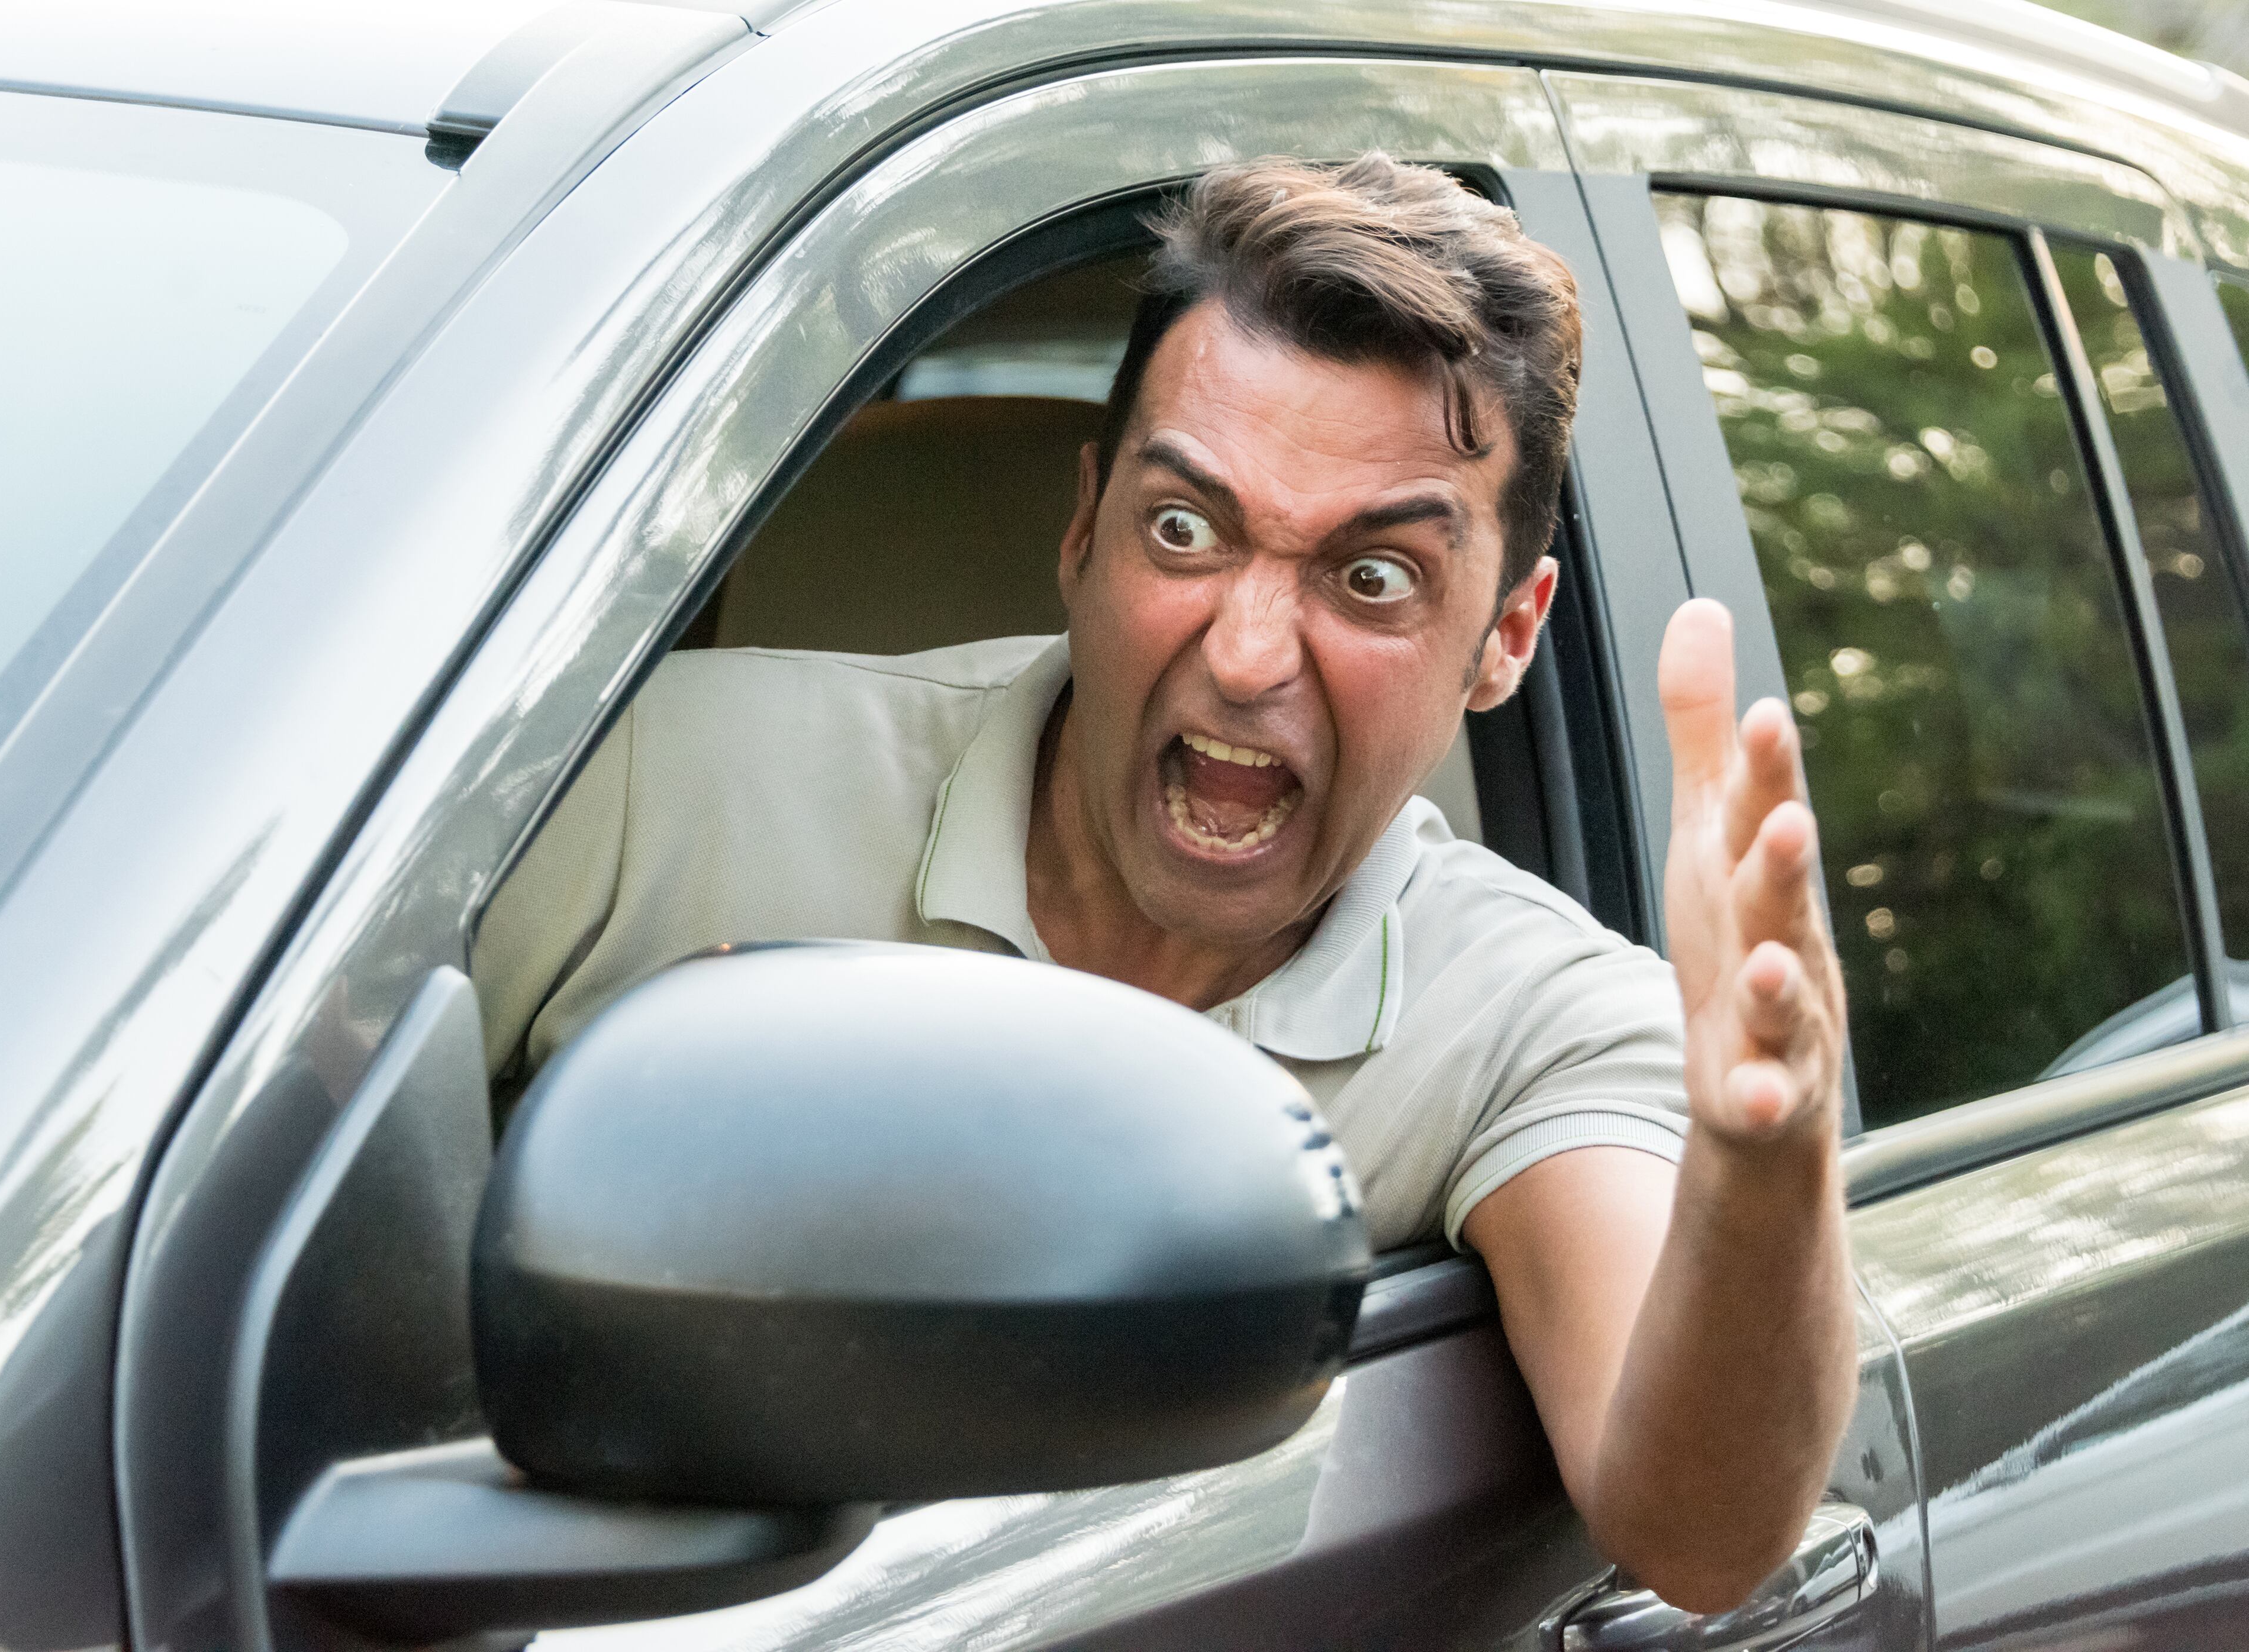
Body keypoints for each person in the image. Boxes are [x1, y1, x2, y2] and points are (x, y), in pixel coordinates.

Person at [474, 153, 1854, 1613]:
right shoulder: (649, 784)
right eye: (1184, 530)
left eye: (1371, 577)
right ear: (1081, 529)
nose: (1248, 653)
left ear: (1505, 636)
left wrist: (1766, 1162)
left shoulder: (1534, 1017)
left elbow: (1698, 1534)